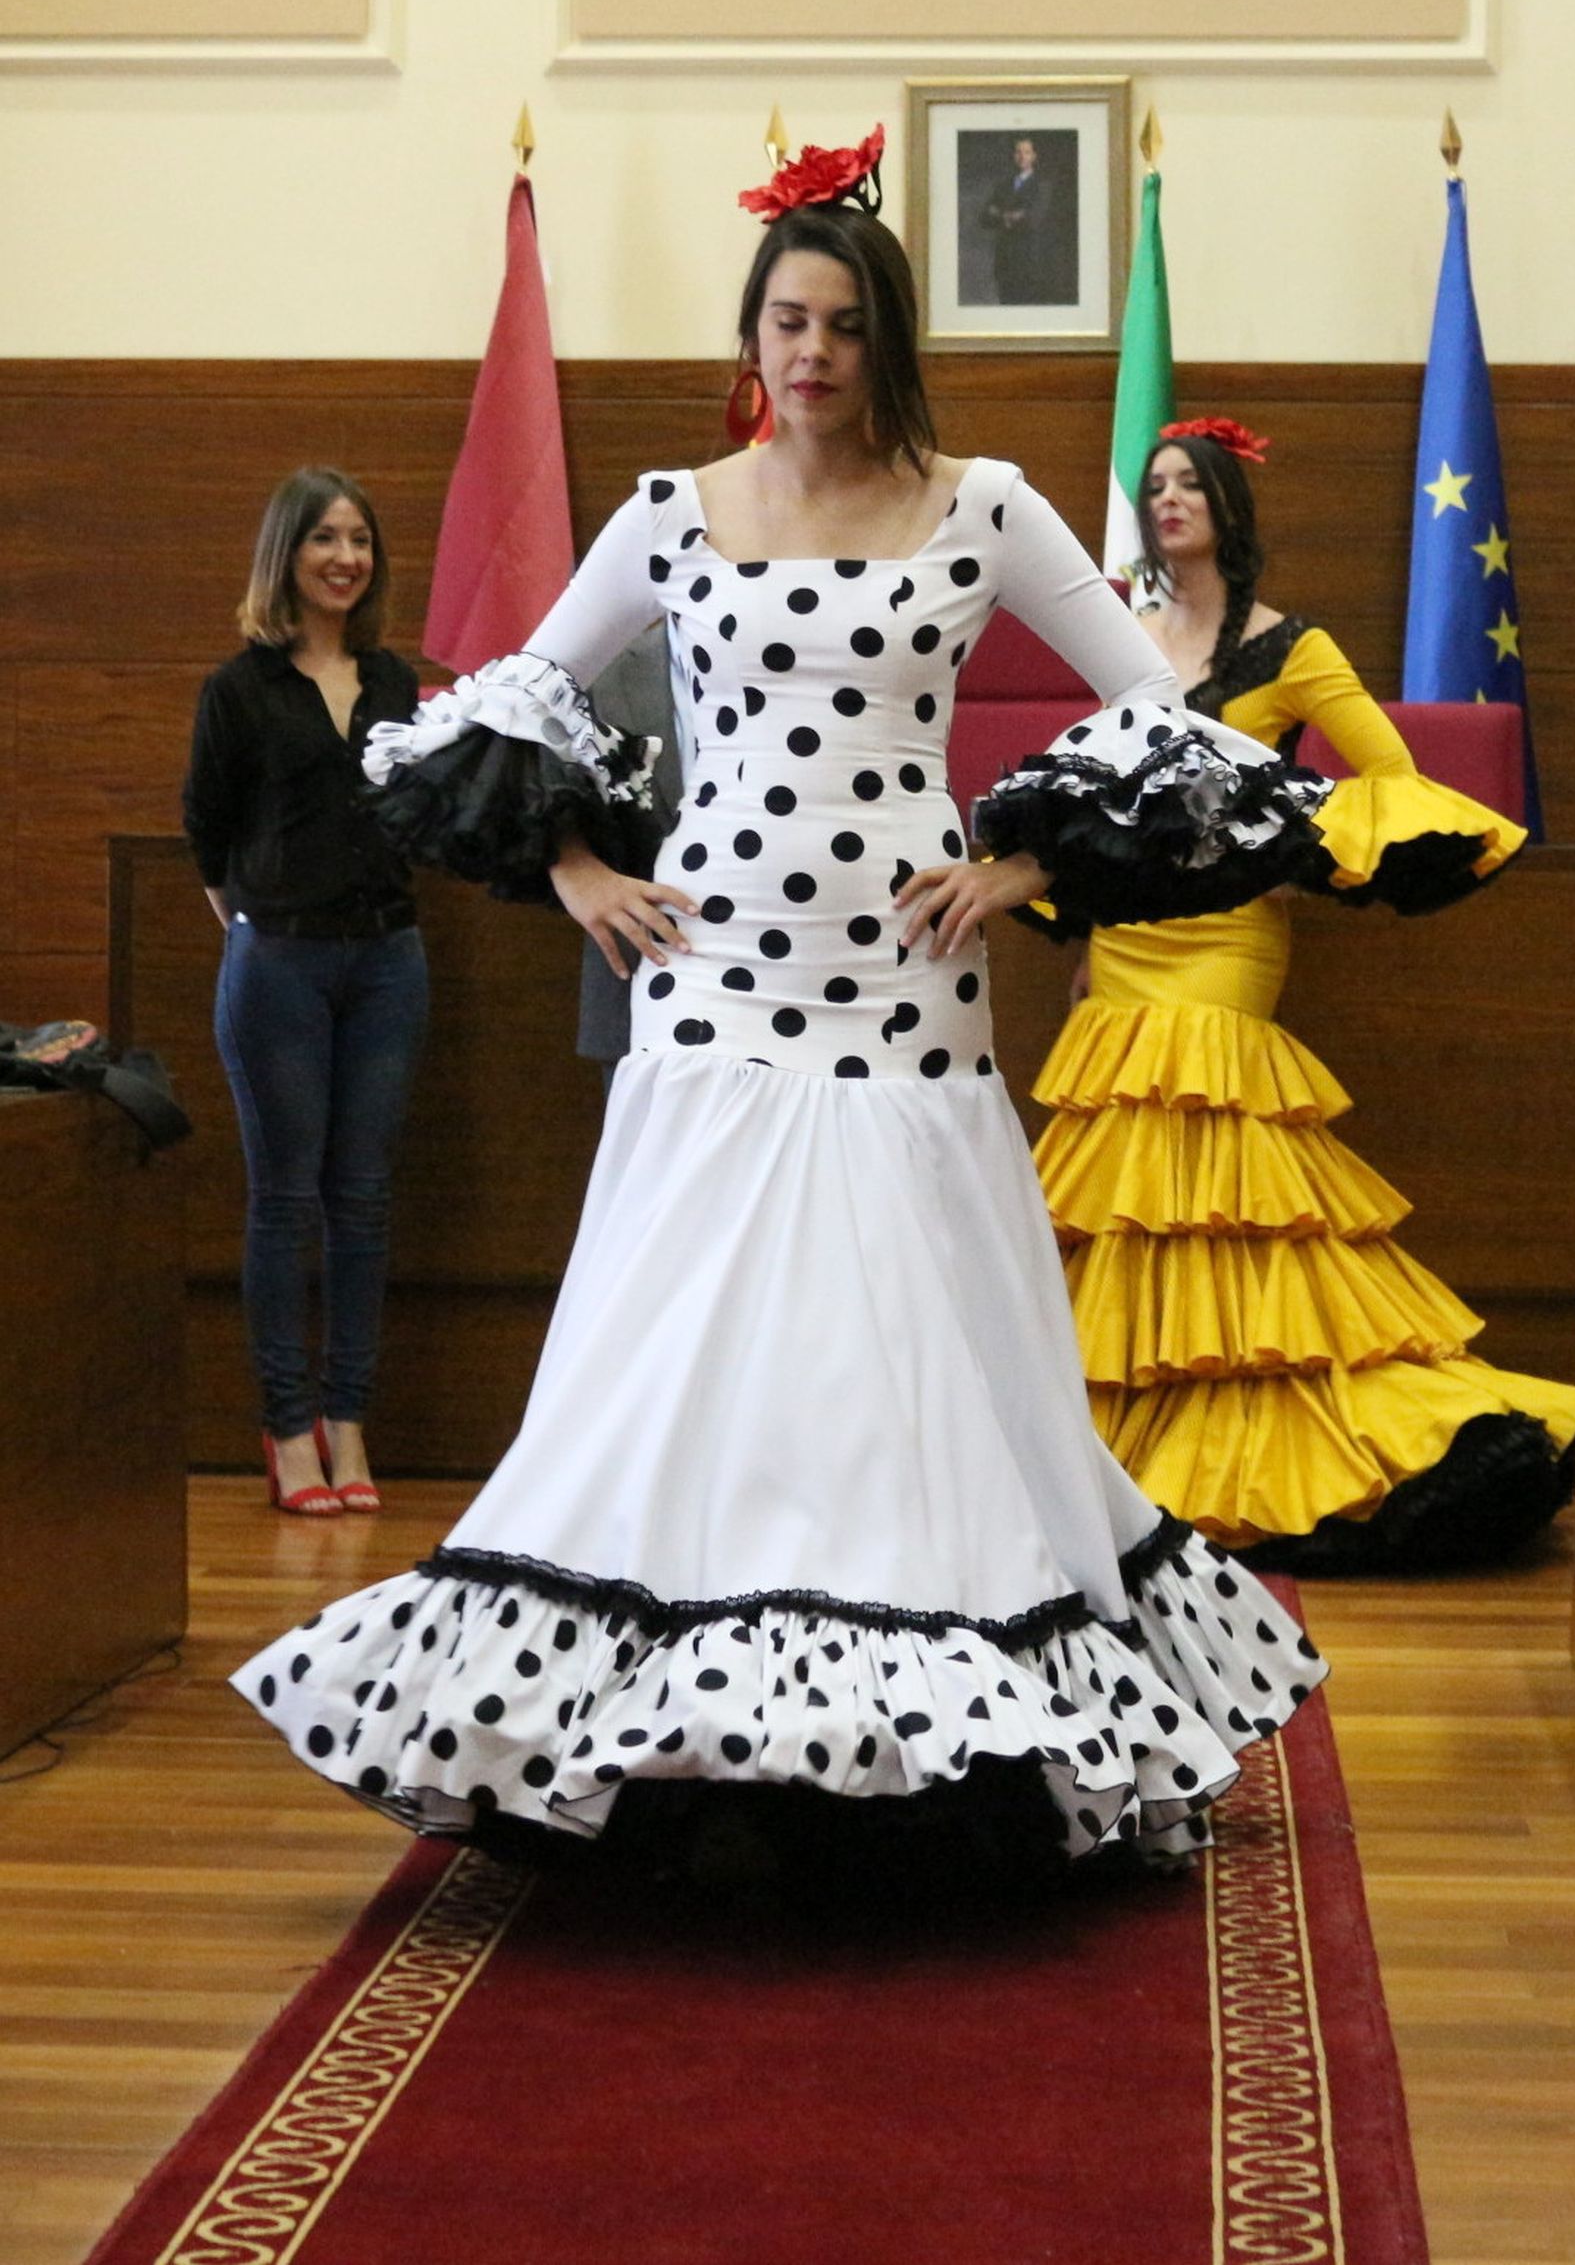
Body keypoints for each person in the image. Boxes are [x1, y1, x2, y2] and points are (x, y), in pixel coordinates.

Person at [231, 138, 1331, 1874]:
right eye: (782, 322)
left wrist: (1025, 869)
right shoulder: (671, 507)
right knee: (691, 1332)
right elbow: (505, 693)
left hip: (907, 988)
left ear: (887, 338)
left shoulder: (986, 503)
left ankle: (948, 1743)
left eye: (836, 325)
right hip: (715, 978)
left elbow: (1164, 707)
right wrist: (581, 871)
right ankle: (676, 1734)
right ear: (755, 336)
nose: (807, 353)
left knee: (912, 1341)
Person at [1028, 420, 1575, 1573]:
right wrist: (1082, 925)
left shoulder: (1292, 646)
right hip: (1125, 946)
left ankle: (1282, 1432)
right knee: (1127, 1188)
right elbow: (1093, 796)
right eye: (1156, 485)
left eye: (1189, 484)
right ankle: (1126, 1447)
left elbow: (1386, 773)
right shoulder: (1121, 641)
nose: (1169, 498)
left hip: (1229, 941)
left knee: (1231, 1183)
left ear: (1230, 508)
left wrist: (1271, 823)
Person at [183, 468, 429, 1516]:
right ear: (286, 554)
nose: (345, 556)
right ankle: (288, 1429)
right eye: (324, 538)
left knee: (362, 1200)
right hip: (277, 962)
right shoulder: (237, 689)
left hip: (386, 963)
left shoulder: (396, 683)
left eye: (359, 539)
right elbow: (207, 831)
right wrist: (261, 924)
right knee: (284, 1202)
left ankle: (350, 1418)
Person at [576, 624, 685, 1091]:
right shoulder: (604, 662)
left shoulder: (825, 660)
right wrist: (573, 865)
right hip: (641, 983)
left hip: (806, 996)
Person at [979, 136, 1057, 306]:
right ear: (1014, 156)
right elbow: (984, 217)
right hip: (1005, 261)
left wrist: (1000, 214)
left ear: (1034, 156)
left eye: (1027, 152)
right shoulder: (1003, 185)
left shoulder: (1042, 186)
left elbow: (1033, 219)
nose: (1022, 157)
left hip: (1029, 261)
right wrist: (1012, 216)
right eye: (1018, 152)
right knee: (1006, 306)